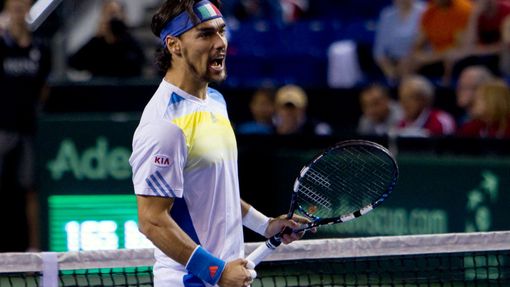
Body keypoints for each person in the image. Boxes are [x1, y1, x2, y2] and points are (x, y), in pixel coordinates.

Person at [129, 1, 306, 286]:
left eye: (222, 32)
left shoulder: (215, 102)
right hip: (190, 280)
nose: (220, 42)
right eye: (205, 34)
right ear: (175, 46)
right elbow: (151, 221)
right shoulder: (164, 124)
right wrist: (215, 271)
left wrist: (266, 225)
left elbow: (213, 191)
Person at [0, 0, 51, 251]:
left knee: (30, 189)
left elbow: (43, 88)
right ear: (8, 11)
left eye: (22, 8)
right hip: (2, 129)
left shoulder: (40, 47)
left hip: (27, 129)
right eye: (14, 9)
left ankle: (33, 249)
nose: (19, 14)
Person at [68, 0, 145, 78]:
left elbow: (139, 64)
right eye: (110, 13)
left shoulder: (130, 42)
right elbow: (73, 62)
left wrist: (123, 34)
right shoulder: (96, 44)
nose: (114, 18)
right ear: (103, 17)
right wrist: (97, 37)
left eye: (117, 13)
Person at [410, 0, 473, 85]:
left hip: (457, 56)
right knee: (409, 61)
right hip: (436, 55)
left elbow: (462, 47)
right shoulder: (429, 11)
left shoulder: (464, 9)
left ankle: (446, 90)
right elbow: (417, 44)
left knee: (451, 57)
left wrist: (434, 56)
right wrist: (416, 55)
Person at [373, 0, 425, 84]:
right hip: (392, 63)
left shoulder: (424, 11)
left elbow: (424, 45)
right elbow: (379, 51)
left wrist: (408, 65)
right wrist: (390, 72)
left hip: (417, 64)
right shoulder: (386, 14)